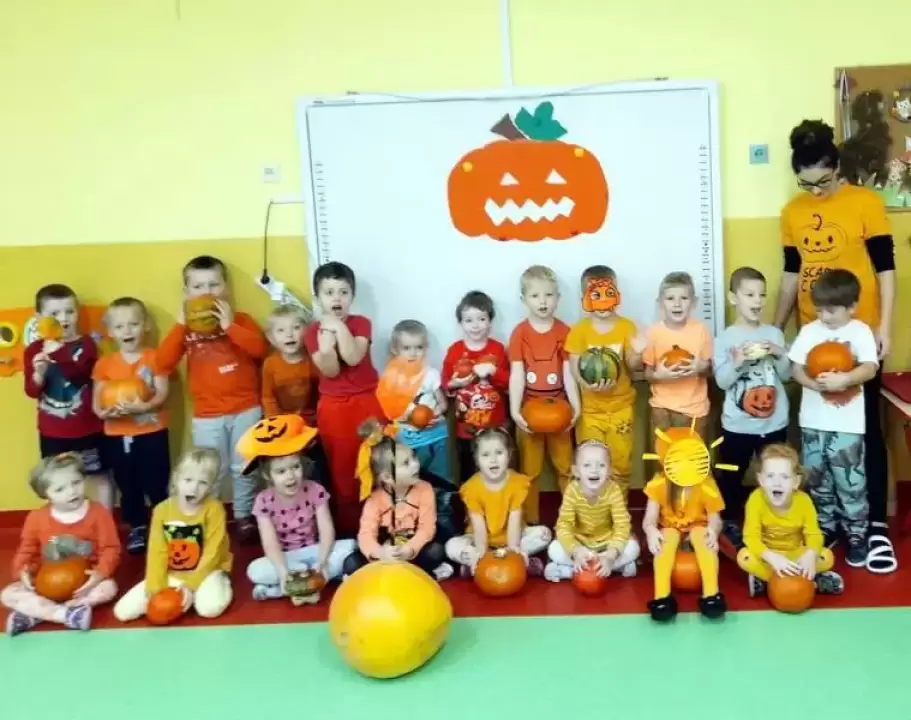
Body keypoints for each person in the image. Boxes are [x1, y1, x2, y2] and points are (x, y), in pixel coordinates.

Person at [774, 119, 897, 574]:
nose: (816, 191)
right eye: (806, 184)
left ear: (837, 167)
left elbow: (886, 268)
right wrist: (776, 327)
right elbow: (791, 273)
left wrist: (885, 326)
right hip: (813, 332)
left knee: (864, 432)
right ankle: (824, 522)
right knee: (818, 435)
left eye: (823, 181)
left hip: (857, 332)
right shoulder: (791, 212)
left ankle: (874, 526)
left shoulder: (865, 202)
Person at [157, 256, 268, 545]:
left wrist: (230, 326)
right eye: (198, 287)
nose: (206, 292)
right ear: (186, 293)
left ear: (226, 288)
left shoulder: (241, 320)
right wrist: (180, 325)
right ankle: (211, 514)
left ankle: (243, 515)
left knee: (245, 466)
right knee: (209, 470)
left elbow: (260, 351)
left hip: (246, 408)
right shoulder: (186, 330)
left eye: (213, 285)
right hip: (207, 414)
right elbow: (162, 363)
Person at [788, 269, 878, 569]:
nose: (824, 316)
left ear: (851, 307)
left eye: (831, 310)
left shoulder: (860, 331)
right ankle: (824, 526)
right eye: (819, 310)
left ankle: (856, 532)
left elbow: (870, 367)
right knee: (817, 477)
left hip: (847, 425)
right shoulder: (809, 332)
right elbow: (796, 369)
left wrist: (845, 379)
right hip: (812, 421)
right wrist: (815, 386)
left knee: (850, 480)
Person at [304, 262, 385, 537]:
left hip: (367, 401)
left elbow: (352, 357)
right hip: (334, 408)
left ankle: (383, 523)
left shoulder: (361, 323)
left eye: (343, 292)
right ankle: (352, 531)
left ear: (352, 296)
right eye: (329, 292)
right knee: (343, 469)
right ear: (318, 298)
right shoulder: (312, 331)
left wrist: (338, 327)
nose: (336, 298)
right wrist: (327, 341)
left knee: (377, 461)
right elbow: (330, 370)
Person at [712, 268, 790, 554]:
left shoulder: (774, 334)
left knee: (776, 474)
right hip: (738, 425)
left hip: (774, 423)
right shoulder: (724, 339)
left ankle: (775, 521)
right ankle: (729, 522)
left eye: (762, 295)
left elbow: (787, 374)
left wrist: (779, 352)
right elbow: (722, 382)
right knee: (732, 476)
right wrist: (737, 362)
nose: (757, 300)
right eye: (749, 294)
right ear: (733, 298)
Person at [238, 415, 355, 601]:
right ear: (268, 476)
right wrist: (283, 572)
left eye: (295, 467)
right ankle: (309, 584)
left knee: (351, 546)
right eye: (281, 471)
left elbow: (327, 530)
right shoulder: (263, 501)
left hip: (315, 551)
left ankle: (283, 589)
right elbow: (270, 543)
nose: (290, 476)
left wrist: (321, 562)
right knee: (255, 570)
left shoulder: (315, 490)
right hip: (287, 558)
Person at [2, 453, 120, 636]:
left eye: (76, 483)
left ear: (84, 479)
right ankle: (65, 614)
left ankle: (35, 614)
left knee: (109, 588)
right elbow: (26, 550)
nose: (71, 492)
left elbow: (111, 549)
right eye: (60, 489)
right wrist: (22, 572)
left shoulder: (99, 514)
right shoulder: (36, 518)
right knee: (8, 594)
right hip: (44, 583)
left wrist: (100, 574)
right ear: (45, 495)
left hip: (84, 584)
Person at [114, 448, 234, 622]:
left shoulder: (214, 509)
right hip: (174, 572)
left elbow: (212, 553)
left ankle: (219, 582)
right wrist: (155, 587)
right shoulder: (162, 510)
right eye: (188, 480)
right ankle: (188, 597)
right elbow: (157, 551)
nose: (194, 488)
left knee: (209, 609)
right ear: (176, 479)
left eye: (202, 483)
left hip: (208, 570)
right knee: (123, 612)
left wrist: (190, 584)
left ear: (211, 487)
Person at [23, 284, 113, 509]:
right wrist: (38, 374)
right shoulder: (33, 350)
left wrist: (59, 353)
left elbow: (81, 377)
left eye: (70, 311)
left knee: (99, 478)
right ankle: (64, 523)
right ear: (39, 317)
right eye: (54, 313)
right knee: (56, 481)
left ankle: (105, 525)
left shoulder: (87, 344)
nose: (63, 318)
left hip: (88, 429)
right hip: (52, 432)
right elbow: (31, 391)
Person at [92, 297, 170, 554]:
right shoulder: (104, 364)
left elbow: (162, 393)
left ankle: (164, 524)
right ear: (110, 331)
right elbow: (98, 403)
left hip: (152, 432)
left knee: (157, 481)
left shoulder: (155, 358)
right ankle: (137, 526)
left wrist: (144, 407)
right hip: (117, 435)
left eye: (133, 324)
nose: (127, 330)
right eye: (120, 326)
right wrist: (104, 412)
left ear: (145, 325)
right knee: (127, 483)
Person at [508, 265, 580, 522]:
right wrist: (515, 411)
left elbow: (568, 374)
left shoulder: (564, 332)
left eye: (549, 295)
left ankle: (571, 518)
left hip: (559, 409)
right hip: (529, 411)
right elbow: (517, 374)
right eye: (535, 295)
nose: (543, 301)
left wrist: (576, 407)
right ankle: (531, 522)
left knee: (566, 467)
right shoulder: (519, 333)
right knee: (530, 471)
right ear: (524, 299)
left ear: (558, 298)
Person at [565, 265, 642, 500]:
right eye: (595, 295)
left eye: (608, 294)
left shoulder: (627, 327)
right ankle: (592, 512)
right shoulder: (579, 331)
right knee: (590, 465)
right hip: (591, 412)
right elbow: (574, 366)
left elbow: (633, 366)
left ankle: (618, 510)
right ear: (585, 299)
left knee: (620, 465)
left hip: (621, 409)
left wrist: (639, 352)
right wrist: (586, 384)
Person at [342, 419, 452, 580]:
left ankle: (413, 573)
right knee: (351, 563)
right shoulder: (374, 500)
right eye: (406, 463)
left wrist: (409, 549)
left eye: (413, 457)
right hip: (386, 554)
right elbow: (366, 534)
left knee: (436, 551)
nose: (416, 465)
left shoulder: (424, 489)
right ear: (387, 477)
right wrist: (380, 552)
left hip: (413, 551)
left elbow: (427, 527)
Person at [377, 319, 457, 540]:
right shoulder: (391, 378)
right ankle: (414, 522)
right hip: (409, 440)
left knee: (441, 479)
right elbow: (389, 411)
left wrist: (435, 414)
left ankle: (444, 519)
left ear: (426, 348)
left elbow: (443, 403)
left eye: (419, 347)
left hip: (436, 435)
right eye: (407, 348)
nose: (413, 353)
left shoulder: (430, 374)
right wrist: (409, 419)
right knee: (413, 480)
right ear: (396, 350)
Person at [642, 423, 727, 622]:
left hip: (698, 526)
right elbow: (649, 519)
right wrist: (651, 531)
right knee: (664, 545)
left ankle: (711, 596)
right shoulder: (658, 483)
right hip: (670, 527)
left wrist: (713, 531)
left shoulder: (707, 484)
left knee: (704, 542)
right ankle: (662, 598)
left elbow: (715, 519)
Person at [737, 444, 843, 597]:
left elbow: (814, 534)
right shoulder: (755, 500)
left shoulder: (804, 501)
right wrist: (771, 557)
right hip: (769, 556)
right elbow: (751, 537)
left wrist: (810, 554)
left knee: (826, 557)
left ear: (796, 482)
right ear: (761, 479)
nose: (777, 482)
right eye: (770, 476)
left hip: (795, 555)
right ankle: (808, 582)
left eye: (785, 477)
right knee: (744, 557)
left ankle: (768, 581)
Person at [445, 428, 552, 577]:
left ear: (508, 455)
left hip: (512, 537)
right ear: (477, 460)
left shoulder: (517, 483)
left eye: (499, 453)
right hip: (480, 539)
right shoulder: (471, 488)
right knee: (451, 546)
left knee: (544, 534)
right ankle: (480, 561)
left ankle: (514, 558)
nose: (493, 460)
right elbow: (478, 525)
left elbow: (515, 520)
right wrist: (480, 552)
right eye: (485, 455)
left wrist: (513, 549)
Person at [545, 441, 640, 582]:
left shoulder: (613, 490)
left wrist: (611, 555)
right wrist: (576, 550)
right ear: (576, 471)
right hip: (581, 544)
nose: (594, 470)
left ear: (609, 470)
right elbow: (564, 525)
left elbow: (622, 525)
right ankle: (608, 569)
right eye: (587, 465)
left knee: (633, 548)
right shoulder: (572, 490)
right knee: (554, 549)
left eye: (601, 465)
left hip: (607, 544)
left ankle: (573, 571)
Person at [442, 291, 509, 483]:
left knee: (498, 468)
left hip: (495, 426)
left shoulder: (497, 349)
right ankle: (469, 502)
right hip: (466, 428)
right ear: (461, 323)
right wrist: (455, 383)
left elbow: (509, 382)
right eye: (469, 320)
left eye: (481, 319)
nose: (475, 325)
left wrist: (493, 371)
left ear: (490, 322)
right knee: (468, 470)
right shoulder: (455, 350)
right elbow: (445, 382)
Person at [634, 271, 712, 437]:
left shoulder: (701, 330)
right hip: (662, 409)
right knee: (664, 452)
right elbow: (648, 373)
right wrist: (659, 375)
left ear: (694, 303)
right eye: (670, 298)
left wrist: (700, 368)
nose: (677, 304)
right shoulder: (653, 333)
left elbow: (709, 369)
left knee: (693, 453)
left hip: (695, 410)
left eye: (684, 298)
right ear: (660, 303)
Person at [261, 304, 328, 486]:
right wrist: (277, 427)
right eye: (281, 330)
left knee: (317, 471)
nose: (289, 335)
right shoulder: (270, 365)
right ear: (271, 337)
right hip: (284, 429)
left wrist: (316, 424)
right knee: (289, 471)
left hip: (313, 427)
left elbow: (324, 394)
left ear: (307, 332)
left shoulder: (314, 359)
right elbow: (268, 398)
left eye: (296, 328)